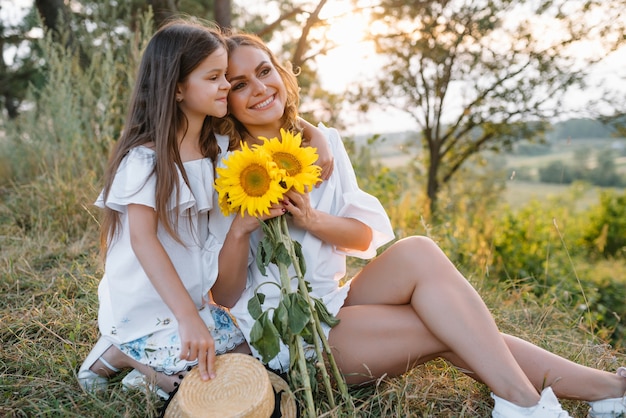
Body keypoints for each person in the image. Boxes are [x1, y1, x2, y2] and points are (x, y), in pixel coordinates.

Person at [209, 32, 626, 418]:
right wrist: (242, 229)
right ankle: (534, 403)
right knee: (447, 324)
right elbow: (224, 294)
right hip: (289, 333)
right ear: (225, 97)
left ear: (280, 74)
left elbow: (363, 237)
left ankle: (601, 393)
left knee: (418, 250)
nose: (260, 88)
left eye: (264, 71)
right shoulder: (227, 169)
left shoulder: (324, 143)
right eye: (241, 83)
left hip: (330, 304)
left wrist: (312, 218)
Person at [77, 18, 334, 399]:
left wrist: (318, 138)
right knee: (187, 390)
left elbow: (278, 124)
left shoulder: (217, 147)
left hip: (193, 298)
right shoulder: (145, 160)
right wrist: (185, 318)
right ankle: (120, 352)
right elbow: (143, 242)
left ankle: (153, 358)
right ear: (178, 89)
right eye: (214, 78)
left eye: (225, 77)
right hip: (149, 301)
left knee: (250, 360)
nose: (227, 86)